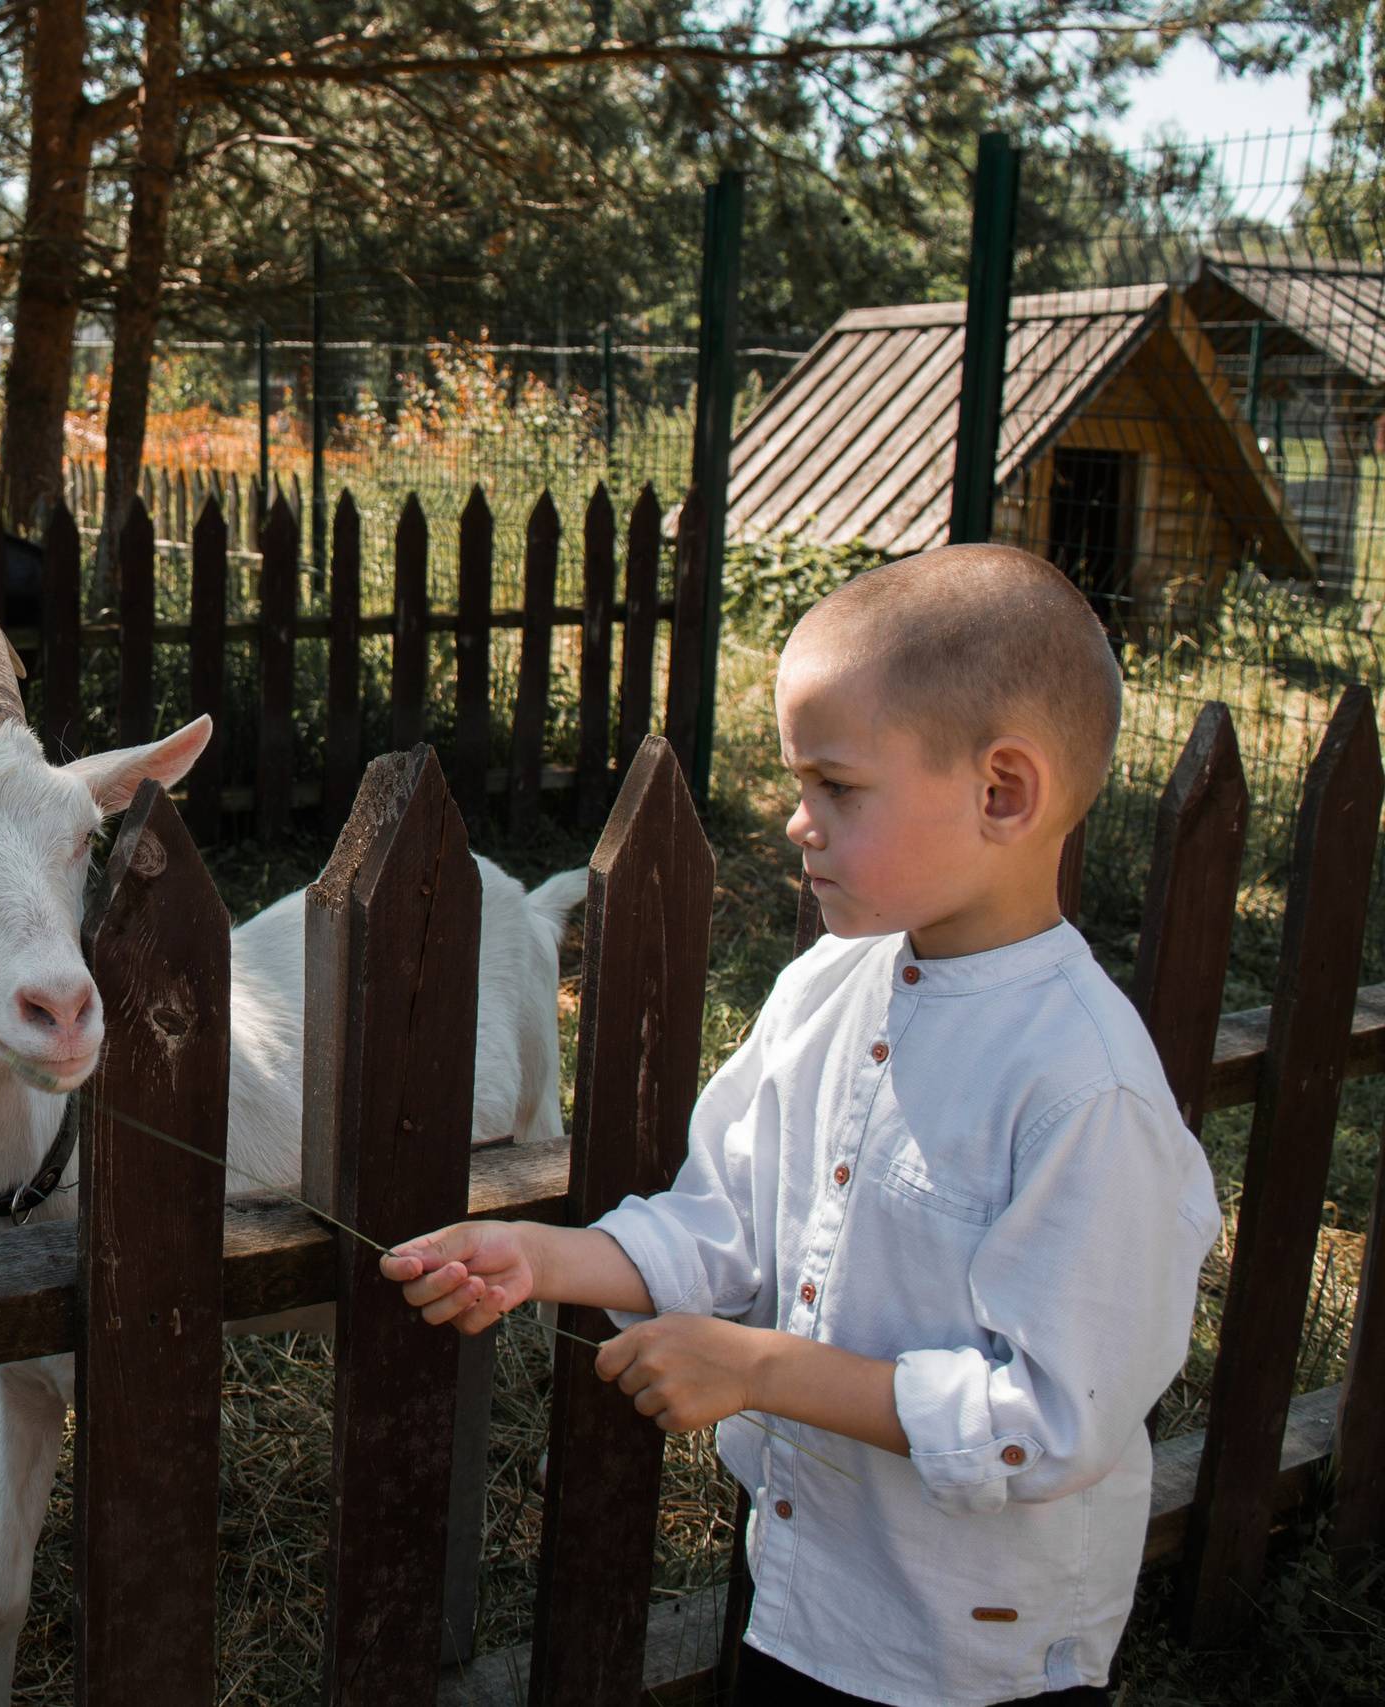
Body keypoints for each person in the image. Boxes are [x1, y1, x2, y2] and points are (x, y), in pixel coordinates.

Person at [382, 545, 1219, 1707]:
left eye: (837, 788)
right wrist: (542, 1259)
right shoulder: (829, 989)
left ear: (1001, 794)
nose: (795, 823)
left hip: (970, 1654)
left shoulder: (1086, 1087)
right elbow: (725, 1223)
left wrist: (761, 1367)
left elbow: (1047, 1419)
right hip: (803, 1585)